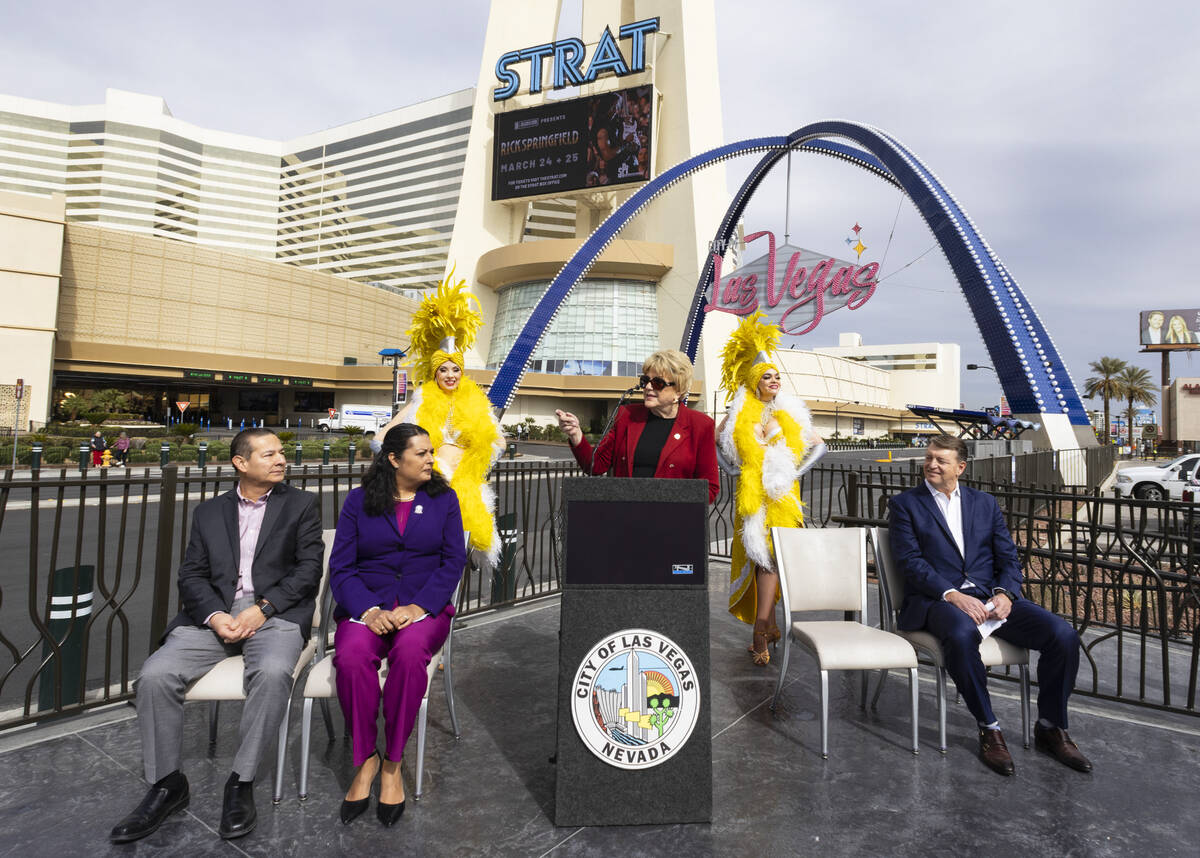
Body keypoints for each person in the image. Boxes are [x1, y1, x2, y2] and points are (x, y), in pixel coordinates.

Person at [110, 428, 324, 843]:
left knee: (275, 670)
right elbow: (191, 574)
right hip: (214, 617)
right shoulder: (208, 513)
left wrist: (262, 611)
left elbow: (308, 570)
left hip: (274, 613)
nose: (281, 459)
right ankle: (167, 783)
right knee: (155, 676)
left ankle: (240, 782)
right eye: (269, 454)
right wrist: (214, 616)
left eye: (282, 453)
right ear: (240, 463)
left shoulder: (301, 505)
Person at [888, 435, 1091, 776]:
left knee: (1063, 635)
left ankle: (1051, 727)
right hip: (937, 601)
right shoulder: (905, 504)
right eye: (929, 458)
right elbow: (910, 562)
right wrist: (951, 594)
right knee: (961, 631)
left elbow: (1008, 557)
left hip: (991, 598)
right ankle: (990, 727)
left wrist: (1006, 594)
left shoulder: (984, 503)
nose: (932, 464)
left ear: (961, 467)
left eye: (941, 460)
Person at [329, 423, 466, 826]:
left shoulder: (444, 500)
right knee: (352, 657)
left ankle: (392, 762)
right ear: (394, 459)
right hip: (368, 607)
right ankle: (366, 758)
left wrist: (419, 606)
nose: (430, 459)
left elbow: (452, 561)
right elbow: (342, 566)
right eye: (421, 453)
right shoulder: (359, 502)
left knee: (409, 655)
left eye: (430, 452)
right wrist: (369, 610)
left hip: (424, 609)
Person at [715, 313, 825, 664]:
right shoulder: (738, 414)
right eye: (767, 376)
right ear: (754, 381)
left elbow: (820, 447)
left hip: (781, 497)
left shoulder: (787, 415)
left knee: (771, 560)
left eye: (777, 376)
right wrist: (735, 469)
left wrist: (793, 472)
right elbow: (717, 443)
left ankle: (760, 631)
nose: (774, 380)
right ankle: (771, 625)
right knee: (759, 558)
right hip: (751, 496)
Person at [379, 270, 503, 569]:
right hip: (429, 486)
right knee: (428, 558)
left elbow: (497, 440)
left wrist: (475, 459)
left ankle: (447, 612)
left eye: (455, 370)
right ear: (434, 374)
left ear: (463, 373)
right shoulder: (421, 399)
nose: (450, 375)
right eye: (443, 370)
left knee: (457, 558)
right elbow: (384, 438)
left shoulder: (477, 402)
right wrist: (428, 464)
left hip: (467, 488)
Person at [554, 348, 720, 503]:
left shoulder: (700, 425)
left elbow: (710, 489)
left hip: (671, 524)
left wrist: (667, 500)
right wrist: (576, 434)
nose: (647, 387)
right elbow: (595, 466)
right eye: (645, 380)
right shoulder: (627, 416)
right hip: (625, 519)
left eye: (657, 383)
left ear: (678, 391)